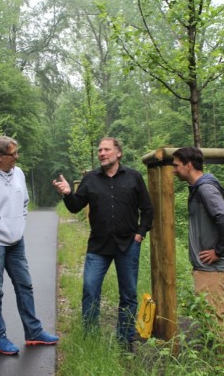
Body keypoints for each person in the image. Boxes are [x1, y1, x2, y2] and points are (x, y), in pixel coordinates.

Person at [52, 137, 153, 351]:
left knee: (128, 294)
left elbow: (147, 208)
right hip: (99, 246)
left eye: (106, 149)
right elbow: (75, 207)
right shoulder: (90, 179)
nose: (102, 153)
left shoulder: (134, 177)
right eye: (99, 150)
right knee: (90, 289)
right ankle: (90, 337)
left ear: (118, 153)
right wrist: (69, 194)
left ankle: (125, 340)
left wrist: (140, 233)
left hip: (128, 244)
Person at [0, 136, 59, 355]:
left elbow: (24, 201)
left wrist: (18, 223)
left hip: (16, 243)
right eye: (13, 153)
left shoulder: (18, 173)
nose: (17, 156)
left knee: (25, 286)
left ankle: (33, 332)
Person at [172, 147, 224, 350]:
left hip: (212, 268)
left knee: (218, 316)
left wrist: (219, 251)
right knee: (214, 315)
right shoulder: (199, 188)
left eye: (176, 165)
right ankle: (222, 362)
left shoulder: (205, 189)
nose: (174, 170)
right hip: (206, 268)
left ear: (188, 165)